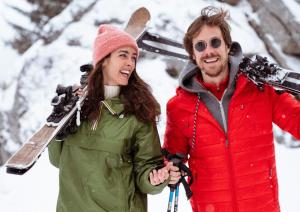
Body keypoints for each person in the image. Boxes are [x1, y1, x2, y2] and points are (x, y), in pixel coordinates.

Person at [163, 6, 300, 212]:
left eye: (215, 42)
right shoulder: (179, 106)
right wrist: (170, 169)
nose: (208, 50)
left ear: (228, 46)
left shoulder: (260, 90)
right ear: (193, 54)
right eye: (200, 46)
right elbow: (172, 158)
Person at [48, 24, 177, 212]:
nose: (130, 63)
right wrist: (56, 127)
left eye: (134, 58)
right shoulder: (77, 107)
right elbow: (59, 161)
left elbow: (147, 172)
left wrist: (155, 178)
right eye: (123, 55)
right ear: (103, 61)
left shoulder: (138, 112)